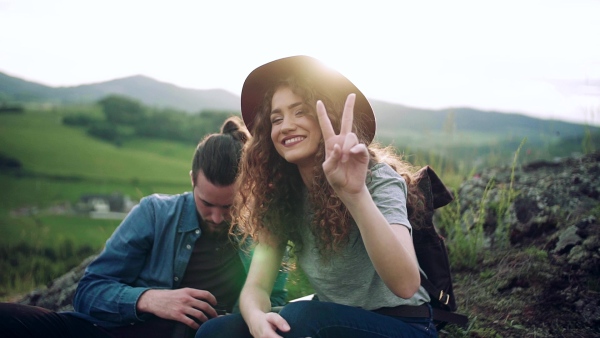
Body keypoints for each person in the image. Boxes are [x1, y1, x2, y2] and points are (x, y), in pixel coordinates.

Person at [196, 55, 436, 338]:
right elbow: (256, 288)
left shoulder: (377, 179)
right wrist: (257, 321)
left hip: (402, 325)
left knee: (302, 316)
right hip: (328, 320)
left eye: (301, 112)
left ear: (330, 119)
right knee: (216, 332)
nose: (286, 125)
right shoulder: (282, 196)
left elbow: (406, 284)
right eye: (276, 118)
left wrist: (355, 195)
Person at [0, 116, 288, 338]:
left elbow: (272, 304)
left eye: (229, 207)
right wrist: (149, 299)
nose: (216, 217)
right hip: (120, 330)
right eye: (206, 203)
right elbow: (89, 291)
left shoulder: (262, 232)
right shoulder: (155, 212)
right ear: (191, 180)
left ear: (247, 190)